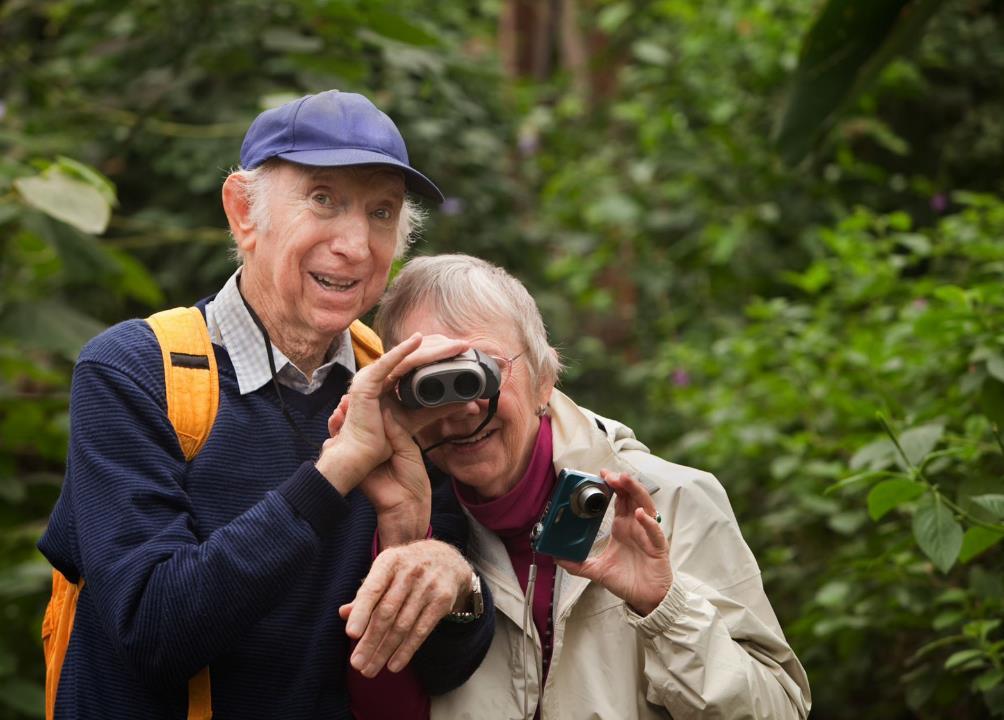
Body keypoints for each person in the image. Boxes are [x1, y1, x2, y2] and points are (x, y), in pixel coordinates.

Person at [37, 91, 494, 720]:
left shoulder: (401, 385)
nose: (356, 245)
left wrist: (452, 578)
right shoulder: (134, 372)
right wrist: (336, 472)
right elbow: (153, 634)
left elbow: (443, 668)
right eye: (323, 200)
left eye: (382, 212)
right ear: (242, 212)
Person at [365, 254, 813, 719]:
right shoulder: (407, 520)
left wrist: (665, 608)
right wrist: (403, 535)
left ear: (545, 378)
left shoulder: (672, 501)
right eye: (430, 383)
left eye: (482, 372)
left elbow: (779, 710)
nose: (462, 409)